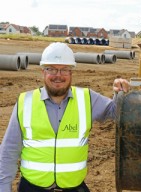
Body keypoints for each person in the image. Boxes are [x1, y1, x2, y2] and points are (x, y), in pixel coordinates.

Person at [0, 42, 129, 192]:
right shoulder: (25, 102)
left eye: (64, 70)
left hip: (73, 188)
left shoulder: (87, 98)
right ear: (43, 72)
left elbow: (116, 112)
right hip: (32, 188)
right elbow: (9, 151)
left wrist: (119, 93)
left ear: (71, 73)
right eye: (52, 69)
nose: (58, 75)